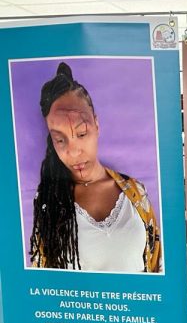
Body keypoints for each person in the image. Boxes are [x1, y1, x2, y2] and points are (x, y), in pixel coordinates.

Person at [30, 62, 161, 272]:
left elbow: (158, 267)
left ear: (96, 125)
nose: (74, 152)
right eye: (60, 140)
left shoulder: (135, 192)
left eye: (82, 133)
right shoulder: (49, 200)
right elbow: (40, 278)